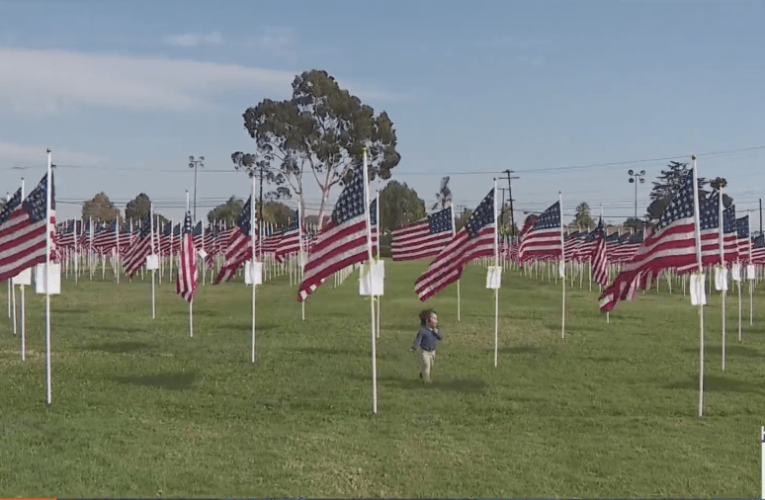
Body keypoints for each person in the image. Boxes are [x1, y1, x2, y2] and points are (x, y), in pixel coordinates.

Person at [411, 309, 442, 382]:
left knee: (430, 365)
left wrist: (436, 333)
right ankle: (427, 380)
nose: (436, 321)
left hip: (432, 351)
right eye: (434, 318)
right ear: (427, 321)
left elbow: (440, 338)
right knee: (426, 365)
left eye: (436, 319)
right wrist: (415, 347)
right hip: (424, 351)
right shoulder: (423, 331)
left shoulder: (435, 330)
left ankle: (422, 374)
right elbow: (418, 340)